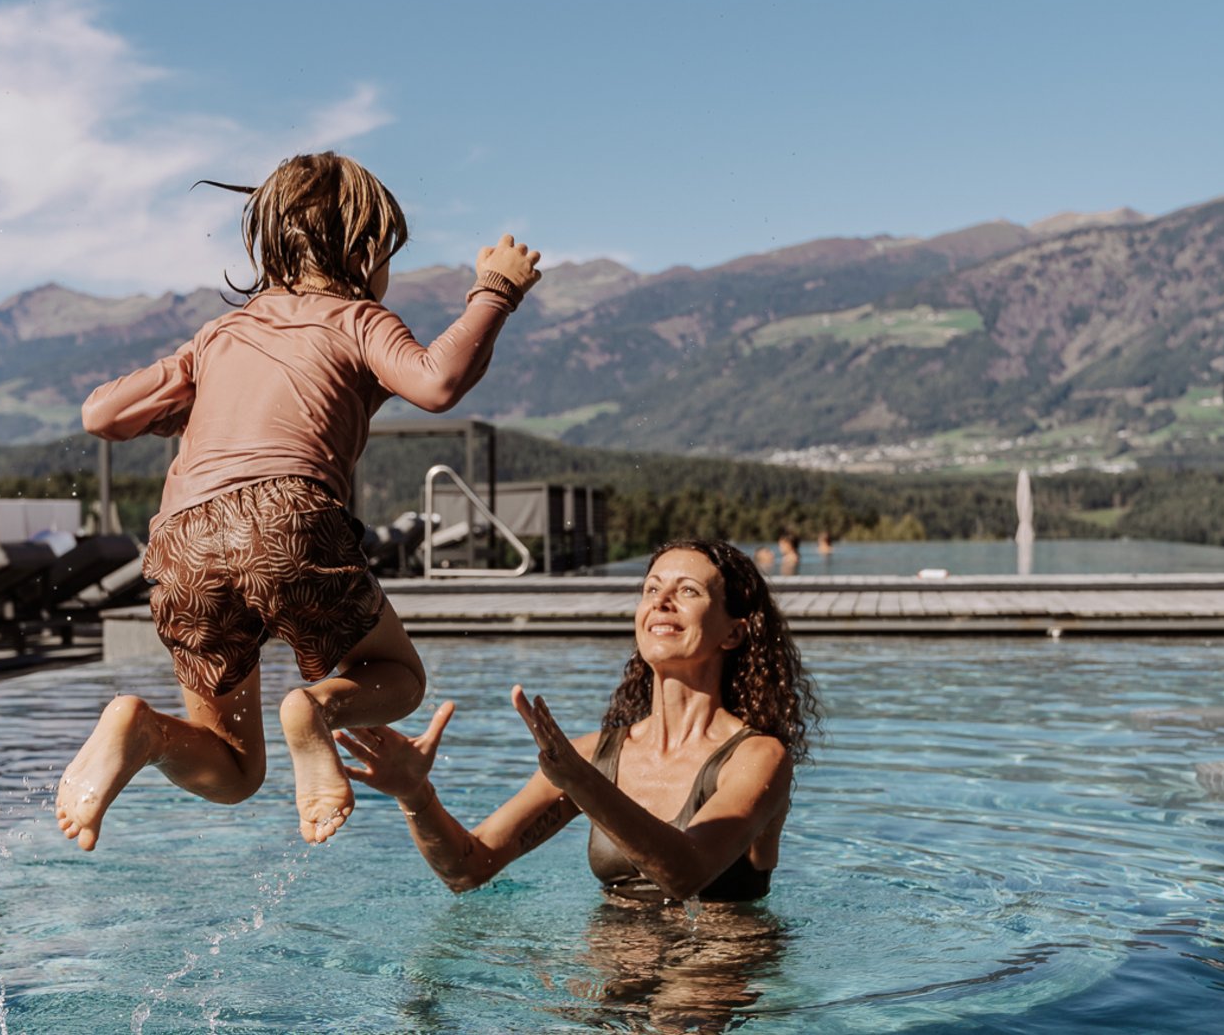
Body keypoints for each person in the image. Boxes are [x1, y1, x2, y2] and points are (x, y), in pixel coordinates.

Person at [57, 151, 542, 850]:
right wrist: (495, 291)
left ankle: (140, 729)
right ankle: (312, 712)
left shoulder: (218, 335)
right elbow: (437, 383)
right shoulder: (357, 318)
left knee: (232, 770)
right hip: (287, 519)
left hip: (180, 542)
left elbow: (101, 417)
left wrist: (179, 404)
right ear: (364, 248)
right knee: (398, 678)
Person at [335, 539, 818, 903]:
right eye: (651, 589)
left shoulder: (758, 757)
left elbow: (686, 873)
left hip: (712, 973)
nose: (660, 602)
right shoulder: (592, 757)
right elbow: (468, 868)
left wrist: (582, 784)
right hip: (607, 969)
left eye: (687, 591)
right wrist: (416, 795)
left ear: (733, 633)